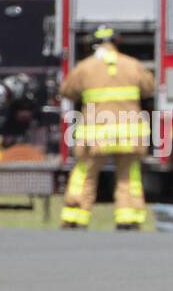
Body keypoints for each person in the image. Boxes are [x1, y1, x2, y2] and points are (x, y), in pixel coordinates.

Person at [58, 25, 155, 230]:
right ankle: (128, 219)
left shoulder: (85, 67)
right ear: (116, 43)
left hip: (95, 137)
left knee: (85, 174)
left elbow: (67, 91)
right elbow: (149, 88)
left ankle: (75, 218)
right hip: (129, 136)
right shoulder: (133, 65)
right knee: (129, 176)